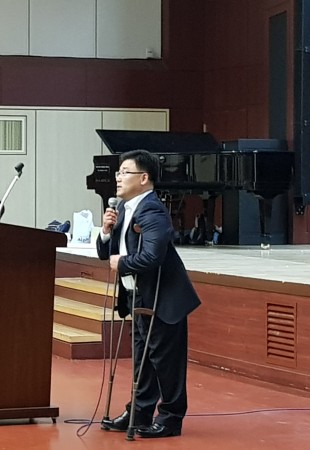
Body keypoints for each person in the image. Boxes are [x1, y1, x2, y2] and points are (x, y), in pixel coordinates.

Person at [96, 149, 201, 439]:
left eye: (125, 172)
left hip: (162, 298)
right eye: (118, 172)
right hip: (138, 296)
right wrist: (106, 231)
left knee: (166, 363)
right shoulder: (124, 209)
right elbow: (106, 252)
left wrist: (122, 263)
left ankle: (170, 419)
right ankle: (139, 412)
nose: (118, 178)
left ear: (144, 178)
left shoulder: (152, 211)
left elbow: (153, 256)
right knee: (143, 360)